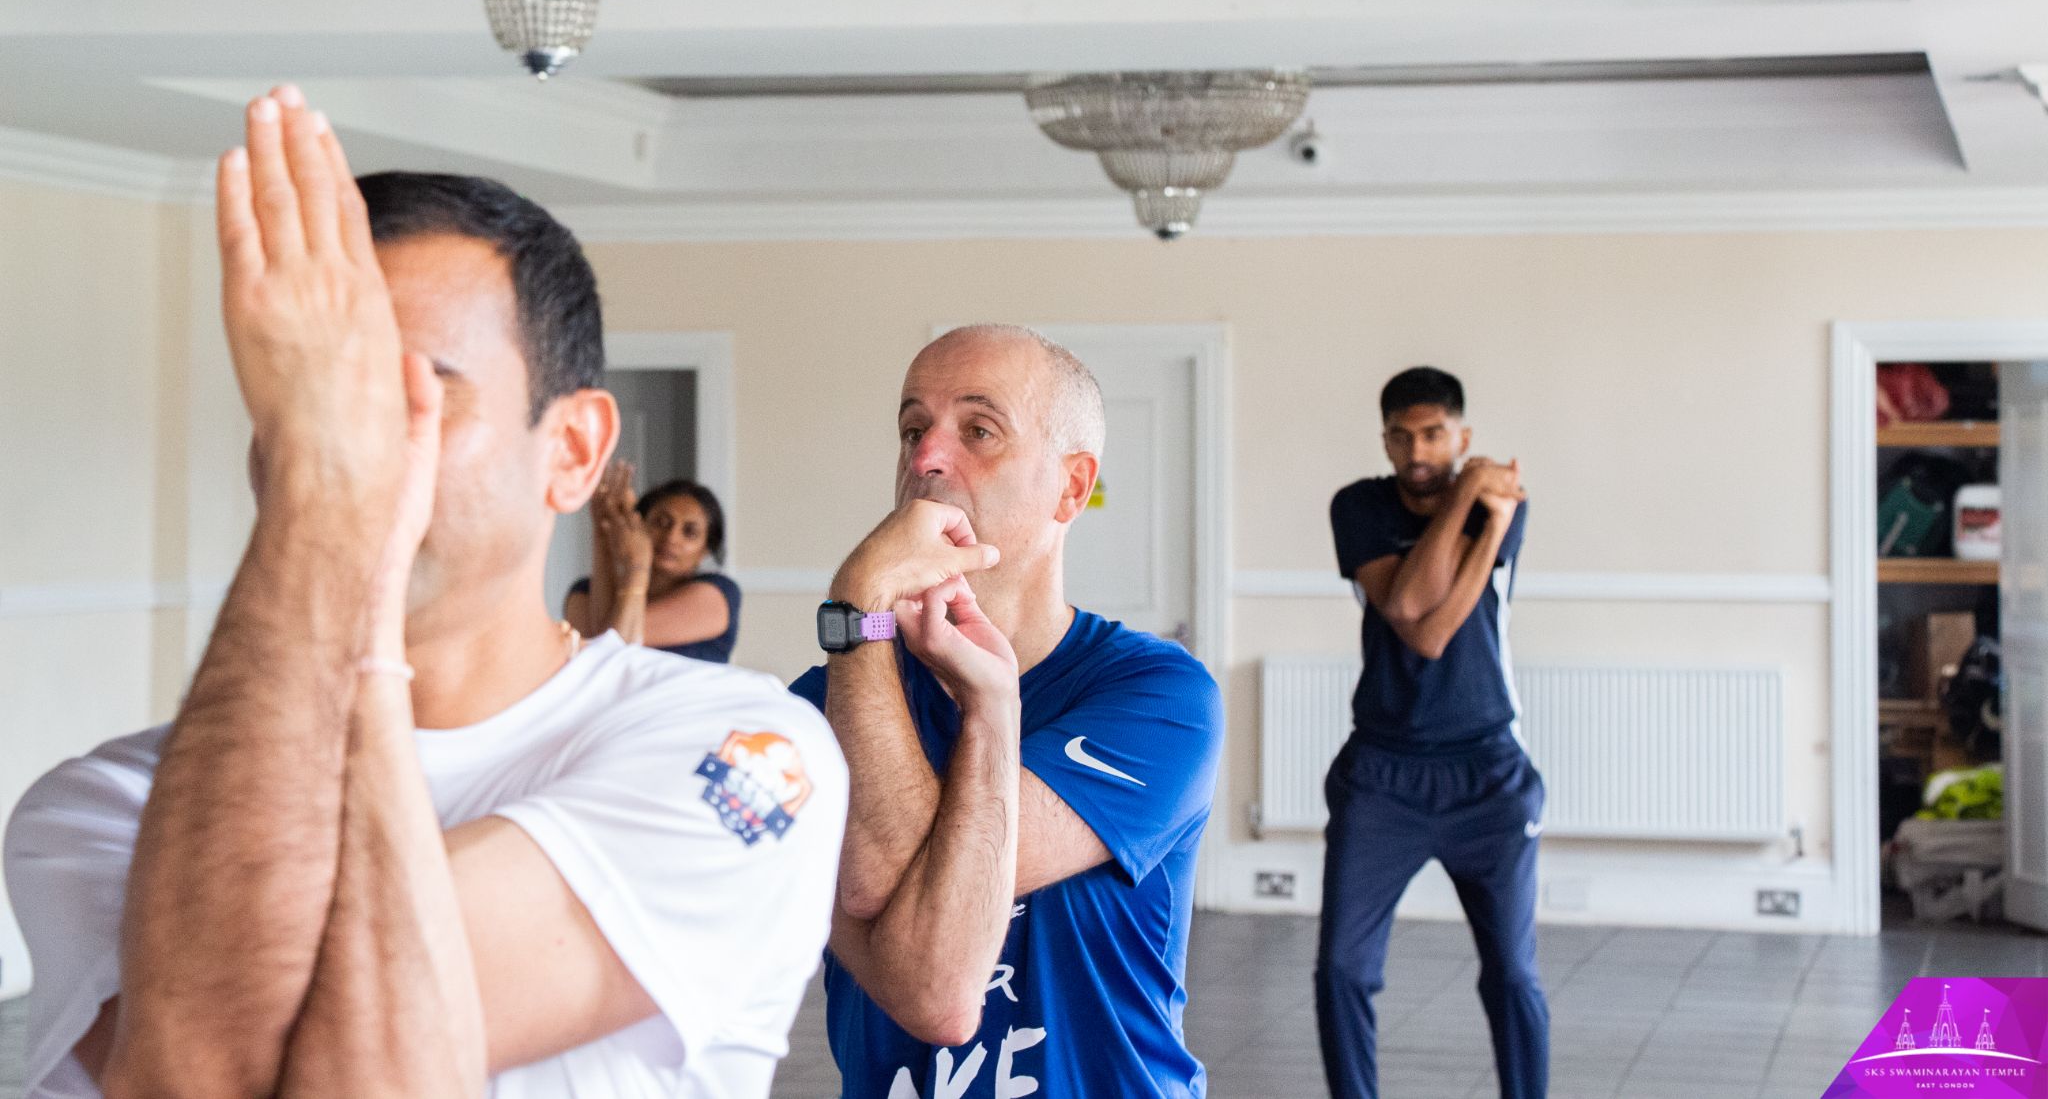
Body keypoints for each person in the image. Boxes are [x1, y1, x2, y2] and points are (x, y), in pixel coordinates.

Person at [2, 88, 846, 1099]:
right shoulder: (110, 808)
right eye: (307, 398)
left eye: (408, 396)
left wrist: (342, 575)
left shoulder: (750, 757)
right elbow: (203, 1079)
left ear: (571, 451)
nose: (342, 445)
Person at [789, 323, 1225, 1099]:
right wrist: (861, 616)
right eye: (913, 428)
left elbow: (935, 974)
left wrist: (863, 610)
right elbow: (915, 975)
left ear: (1071, 485)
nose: (926, 457)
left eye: (979, 429)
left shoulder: (1159, 699)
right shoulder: (820, 704)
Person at [1317, 366, 1546, 1099]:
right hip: (1382, 774)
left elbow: (1439, 624)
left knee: (1513, 971)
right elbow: (1418, 619)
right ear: (1384, 438)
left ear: (1462, 436)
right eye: (1403, 435)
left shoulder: (1504, 502)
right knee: (1343, 970)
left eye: (1434, 434)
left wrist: (1497, 517)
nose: (1418, 450)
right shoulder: (1358, 505)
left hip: (1489, 771)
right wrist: (1471, 510)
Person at [564, 468, 743, 663]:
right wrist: (603, 532)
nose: (671, 537)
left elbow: (613, 647)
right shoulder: (584, 592)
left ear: (706, 549)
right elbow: (595, 660)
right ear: (639, 525)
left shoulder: (717, 593)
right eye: (662, 522)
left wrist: (637, 566)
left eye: (689, 532)